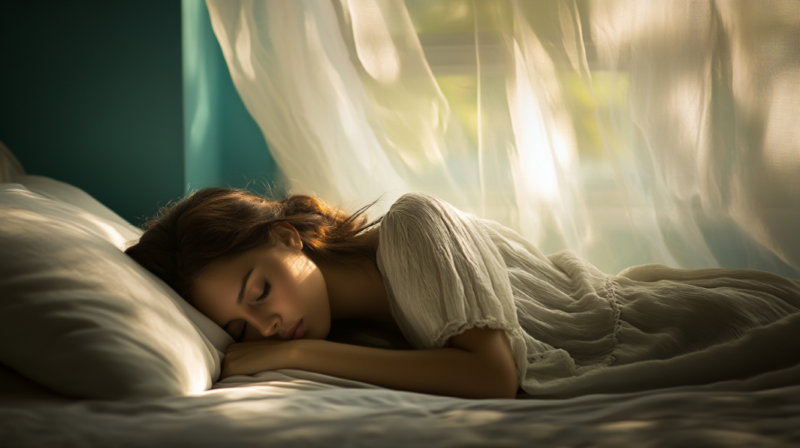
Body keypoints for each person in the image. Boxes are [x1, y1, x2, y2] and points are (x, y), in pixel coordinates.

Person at [125, 188, 800, 399]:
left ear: (290, 238)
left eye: (259, 290)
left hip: (670, 322)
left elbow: (491, 375)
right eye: (241, 329)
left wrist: (291, 360)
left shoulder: (414, 226)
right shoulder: (352, 339)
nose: (266, 326)